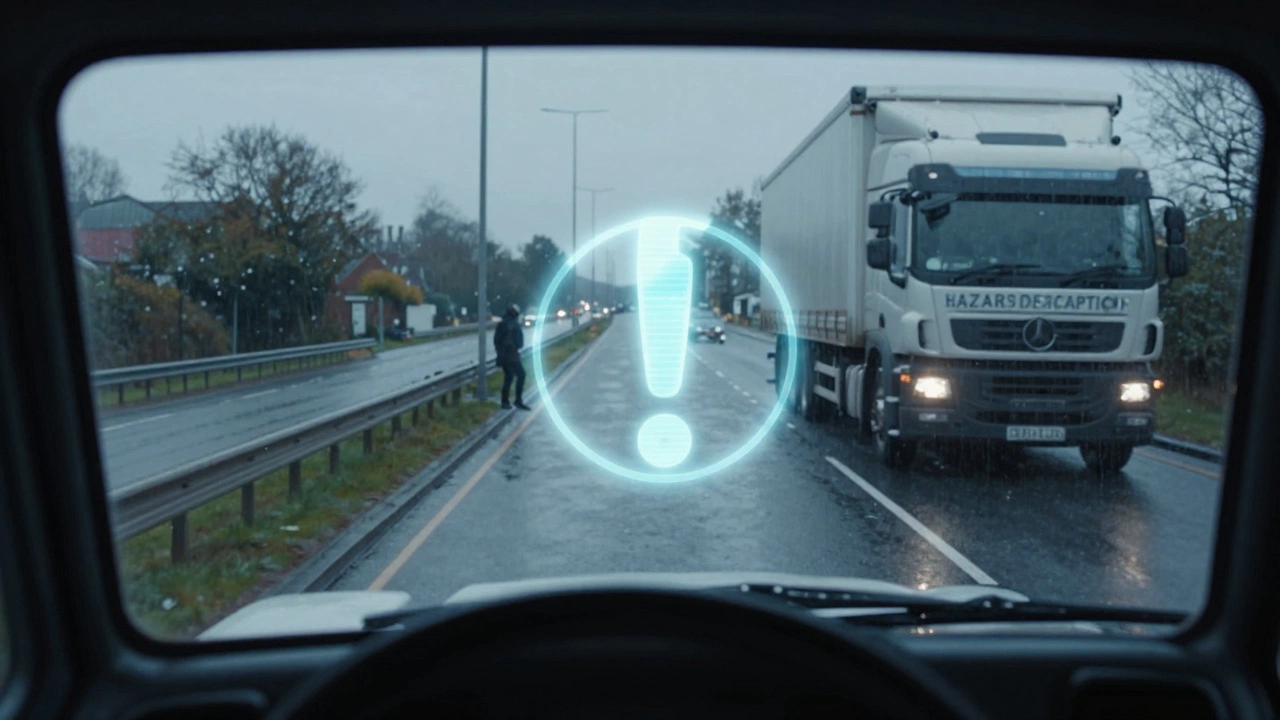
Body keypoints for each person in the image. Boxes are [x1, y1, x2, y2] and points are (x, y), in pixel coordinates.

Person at [494, 303, 530, 410]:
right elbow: (519, 342)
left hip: (505, 356)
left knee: (510, 377)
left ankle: (507, 401)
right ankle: (514, 401)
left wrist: (500, 353)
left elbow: (496, 341)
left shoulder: (502, 324)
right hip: (512, 355)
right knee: (519, 375)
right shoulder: (513, 325)